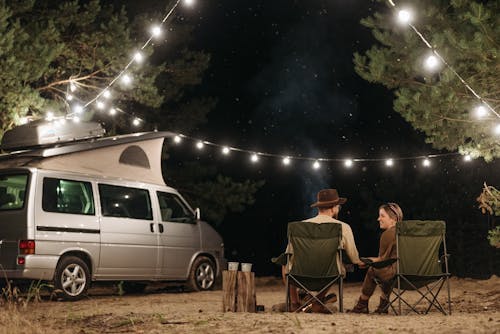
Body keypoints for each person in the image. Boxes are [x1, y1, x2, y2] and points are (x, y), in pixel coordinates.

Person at [282, 188, 363, 313]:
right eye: (338, 206)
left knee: (284, 264)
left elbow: (289, 253)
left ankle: (294, 303)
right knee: (339, 263)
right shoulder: (343, 227)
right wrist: (358, 261)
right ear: (334, 207)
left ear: (319, 207)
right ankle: (318, 302)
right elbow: (353, 257)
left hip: (300, 274)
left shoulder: (300, 226)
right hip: (328, 274)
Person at [348, 202, 404, 314]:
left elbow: (382, 260)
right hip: (413, 274)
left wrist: (368, 261)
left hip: (397, 274)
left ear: (394, 219)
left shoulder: (387, 234)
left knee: (373, 270)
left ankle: (362, 304)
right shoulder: (407, 233)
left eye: (382, 216)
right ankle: (383, 305)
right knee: (387, 270)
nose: (378, 219)